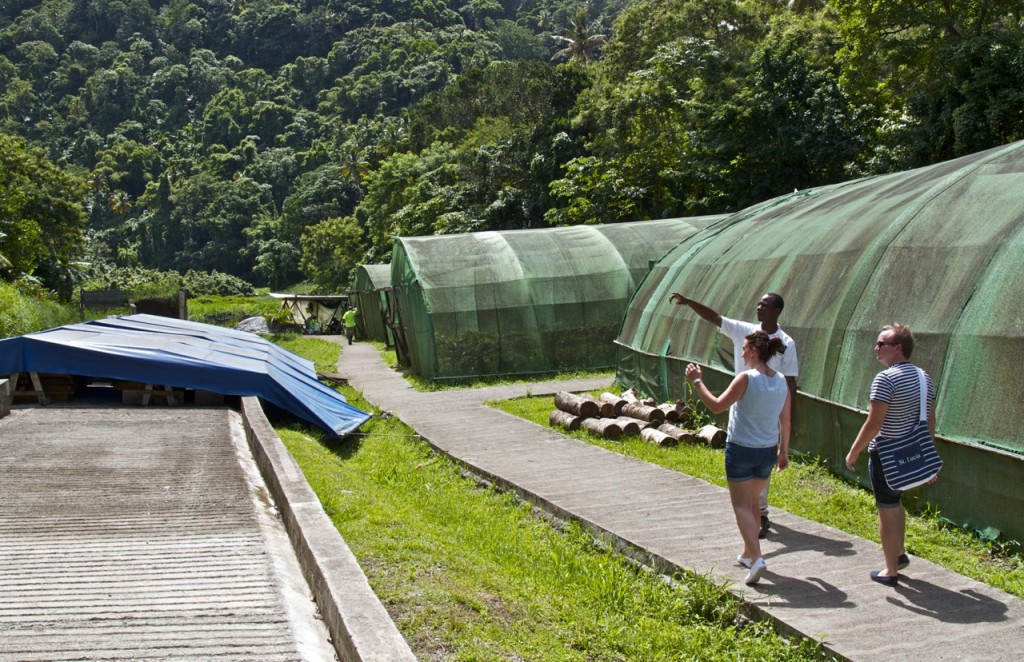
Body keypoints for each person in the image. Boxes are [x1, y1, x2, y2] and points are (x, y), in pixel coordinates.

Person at [669, 292, 798, 538]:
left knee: (745, 482)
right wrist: (690, 302)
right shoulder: (745, 336)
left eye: (765, 304)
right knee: (758, 465)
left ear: (777, 310)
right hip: (749, 412)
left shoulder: (785, 344)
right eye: (758, 302)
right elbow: (715, 318)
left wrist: (697, 381)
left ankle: (757, 519)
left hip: (765, 413)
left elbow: (790, 382)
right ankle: (756, 525)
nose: (759, 306)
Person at [685, 331, 792, 584]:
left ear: (754, 350)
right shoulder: (781, 381)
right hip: (767, 451)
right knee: (753, 503)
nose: (742, 353)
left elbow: (717, 405)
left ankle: (757, 559)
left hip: (741, 449)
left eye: (744, 348)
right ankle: (748, 552)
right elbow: (785, 420)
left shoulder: (745, 378)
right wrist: (784, 451)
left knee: (741, 506)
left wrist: (697, 381)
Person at [845, 324, 938, 587]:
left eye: (881, 343)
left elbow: (874, 424)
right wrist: (927, 456)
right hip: (911, 454)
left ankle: (890, 571)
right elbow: (930, 421)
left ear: (898, 348)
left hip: (886, 453)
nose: (876, 348)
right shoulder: (924, 377)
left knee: (886, 508)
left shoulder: (885, 379)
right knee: (896, 503)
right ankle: (898, 554)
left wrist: (854, 452)